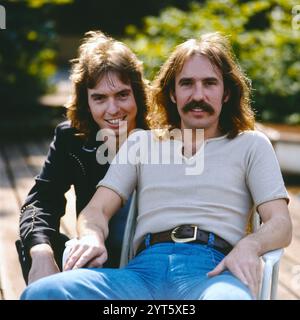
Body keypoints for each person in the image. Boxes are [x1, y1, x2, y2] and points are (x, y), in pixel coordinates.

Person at [21, 32, 292, 300]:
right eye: (186, 84)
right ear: (172, 93)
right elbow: (96, 210)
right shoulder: (143, 142)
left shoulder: (252, 145)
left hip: (212, 271)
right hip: (141, 272)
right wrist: (92, 235)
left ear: (226, 93)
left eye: (209, 83)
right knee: (44, 293)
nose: (198, 94)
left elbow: (280, 222)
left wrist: (251, 244)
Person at [16, 30, 148, 285]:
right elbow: (42, 200)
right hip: (97, 250)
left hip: (149, 256)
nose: (113, 109)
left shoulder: (162, 135)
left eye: (122, 94)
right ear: (86, 102)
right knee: (37, 241)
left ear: (137, 94)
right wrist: (41, 252)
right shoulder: (72, 138)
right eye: (99, 98)